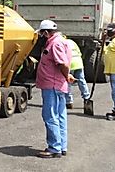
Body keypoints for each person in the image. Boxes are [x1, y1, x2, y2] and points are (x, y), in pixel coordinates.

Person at [35, 19, 75, 158]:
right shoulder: (60, 41)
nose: (41, 36)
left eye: (41, 33)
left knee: (50, 116)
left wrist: (67, 75)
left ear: (46, 32)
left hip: (52, 85)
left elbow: (62, 64)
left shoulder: (55, 43)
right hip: (57, 85)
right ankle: (61, 146)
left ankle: (54, 148)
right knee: (60, 116)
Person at [64, 37, 89, 109]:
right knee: (81, 81)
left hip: (70, 64)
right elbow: (79, 53)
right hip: (78, 63)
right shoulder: (72, 42)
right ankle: (86, 98)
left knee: (68, 82)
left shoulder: (61, 43)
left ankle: (69, 102)